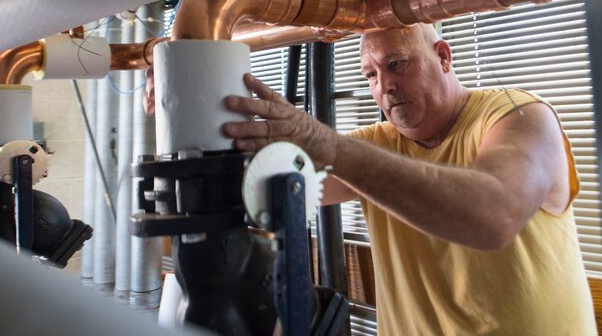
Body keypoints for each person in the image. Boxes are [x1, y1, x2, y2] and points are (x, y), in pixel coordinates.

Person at [219, 24, 597, 335]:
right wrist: (185, 108)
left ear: (444, 57)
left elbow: (496, 214)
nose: (384, 86)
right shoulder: (376, 145)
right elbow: (260, 179)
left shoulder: (521, 116)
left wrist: (328, 146)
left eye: (397, 64)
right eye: (371, 75)